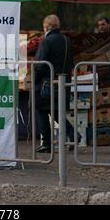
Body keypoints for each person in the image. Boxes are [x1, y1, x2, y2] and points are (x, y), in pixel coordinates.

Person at [34, 14, 75, 153]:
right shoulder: (67, 40)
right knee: (57, 111)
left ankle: (46, 143)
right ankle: (74, 134)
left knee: (41, 110)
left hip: (47, 84)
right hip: (64, 83)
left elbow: (40, 64)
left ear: (46, 27)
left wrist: (34, 80)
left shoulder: (46, 41)